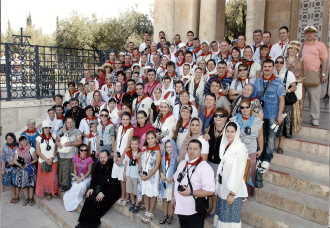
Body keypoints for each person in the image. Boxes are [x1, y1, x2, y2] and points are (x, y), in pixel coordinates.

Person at [173, 139, 215, 228]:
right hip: (181, 208)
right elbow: (176, 181)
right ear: (187, 149)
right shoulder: (182, 163)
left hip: (195, 211)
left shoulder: (205, 167)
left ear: (200, 151)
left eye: (195, 149)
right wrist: (174, 198)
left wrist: (191, 192)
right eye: (190, 148)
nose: (192, 151)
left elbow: (210, 191)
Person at [76, 150, 121, 228]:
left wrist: (104, 192)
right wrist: (91, 188)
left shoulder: (113, 165)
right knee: (89, 197)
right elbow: (94, 178)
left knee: (97, 201)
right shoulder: (97, 164)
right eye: (101, 157)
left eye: (104, 157)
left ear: (108, 157)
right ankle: (82, 223)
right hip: (100, 188)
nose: (102, 159)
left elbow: (114, 183)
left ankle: (91, 225)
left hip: (111, 190)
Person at [215, 122, 248, 228]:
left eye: (232, 132)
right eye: (227, 131)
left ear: (237, 132)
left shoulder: (240, 148)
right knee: (222, 217)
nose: (229, 134)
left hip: (232, 190)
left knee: (230, 220)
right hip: (223, 187)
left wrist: (233, 193)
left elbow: (239, 172)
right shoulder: (225, 144)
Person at [253, 59, 285, 171]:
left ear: (273, 68)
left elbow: (281, 99)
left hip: (272, 115)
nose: (267, 68)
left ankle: (266, 159)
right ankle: (259, 157)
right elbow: (253, 96)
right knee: (260, 137)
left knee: (271, 138)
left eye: (269, 66)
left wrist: (280, 115)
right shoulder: (257, 81)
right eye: (265, 66)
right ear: (262, 68)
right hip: (259, 115)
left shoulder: (278, 81)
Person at [232, 99, 263, 196]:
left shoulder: (257, 121)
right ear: (240, 109)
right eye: (242, 107)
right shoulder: (234, 120)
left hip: (251, 150)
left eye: (247, 107)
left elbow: (260, 136)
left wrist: (261, 148)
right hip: (238, 151)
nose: (245, 109)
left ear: (250, 108)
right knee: (237, 172)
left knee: (250, 172)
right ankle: (236, 192)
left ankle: (248, 193)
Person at [301, 25, 328, 126]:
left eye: (311, 33)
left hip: (314, 74)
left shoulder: (320, 45)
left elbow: (325, 60)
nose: (309, 35)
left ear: (315, 34)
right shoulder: (302, 45)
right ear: (305, 34)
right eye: (307, 33)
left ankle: (315, 118)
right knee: (300, 98)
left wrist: (324, 73)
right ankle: (299, 116)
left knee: (314, 98)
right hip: (302, 75)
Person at [204, 108, 229, 214]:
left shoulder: (229, 130)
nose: (218, 117)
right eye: (216, 115)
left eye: (221, 115)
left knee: (218, 188)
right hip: (209, 162)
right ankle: (211, 207)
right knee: (210, 186)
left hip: (221, 164)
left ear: (226, 118)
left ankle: (215, 208)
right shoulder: (210, 128)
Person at [274, 56, 297, 152]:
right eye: (277, 62)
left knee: (283, 123)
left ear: (284, 63)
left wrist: (286, 91)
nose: (279, 64)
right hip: (274, 101)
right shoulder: (273, 72)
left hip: (285, 101)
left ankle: (280, 146)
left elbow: (294, 87)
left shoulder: (289, 73)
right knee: (274, 123)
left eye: (281, 62)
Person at [112, 112, 134, 205]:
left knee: (125, 178)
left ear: (130, 120)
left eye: (127, 119)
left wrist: (122, 158)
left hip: (125, 156)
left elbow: (128, 145)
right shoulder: (120, 127)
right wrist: (115, 155)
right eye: (123, 119)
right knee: (120, 178)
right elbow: (117, 141)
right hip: (118, 154)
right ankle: (122, 196)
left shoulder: (131, 129)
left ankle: (127, 197)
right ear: (121, 120)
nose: (125, 121)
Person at [63, 144, 93, 211]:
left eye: (85, 150)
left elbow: (89, 171)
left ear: (87, 151)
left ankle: (80, 198)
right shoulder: (75, 157)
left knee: (81, 185)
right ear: (79, 151)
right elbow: (74, 169)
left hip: (86, 177)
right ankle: (72, 199)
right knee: (75, 185)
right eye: (82, 150)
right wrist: (76, 176)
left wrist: (82, 178)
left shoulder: (89, 159)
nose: (83, 152)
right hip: (78, 176)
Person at [140, 130, 161, 224]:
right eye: (148, 138)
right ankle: (147, 210)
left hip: (152, 176)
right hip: (144, 174)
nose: (150, 140)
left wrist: (148, 176)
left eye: (152, 138)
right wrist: (140, 172)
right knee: (145, 192)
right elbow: (139, 160)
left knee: (152, 193)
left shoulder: (157, 150)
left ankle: (151, 211)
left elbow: (157, 166)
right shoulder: (144, 149)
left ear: (155, 139)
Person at [56, 117, 82, 191]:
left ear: (73, 123)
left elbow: (79, 142)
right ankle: (64, 185)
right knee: (63, 170)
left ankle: (70, 186)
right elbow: (56, 140)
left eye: (71, 122)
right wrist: (58, 144)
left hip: (72, 154)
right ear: (65, 123)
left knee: (71, 170)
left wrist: (70, 143)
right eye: (68, 122)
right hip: (62, 154)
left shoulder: (77, 131)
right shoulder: (61, 131)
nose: (70, 124)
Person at [35, 121, 59, 199]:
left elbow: (56, 149)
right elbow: (38, 151)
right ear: (43, 129)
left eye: (49, 128)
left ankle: (50, 192)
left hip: (53, 161)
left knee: (52, 178)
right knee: (43, 178)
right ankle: (44, 191)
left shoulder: (54, 137)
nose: (47, 129)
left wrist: (51, 158)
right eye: (45, 128)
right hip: (42, 161)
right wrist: (46, 159)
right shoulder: (38, 138)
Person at [12, 136, 37, 206]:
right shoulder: (17, 150)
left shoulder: (31, 149)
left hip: (30, 169)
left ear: (27, 141)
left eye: (24, 140)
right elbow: (14, 160)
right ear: (19, 142)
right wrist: (20, 165)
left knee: (31, 185)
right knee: (24, 185)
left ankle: (31, 199)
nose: (23, 142)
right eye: (21, 141)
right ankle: (26, 199)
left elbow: (35, 159)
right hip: (21, 169)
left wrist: (28, 164)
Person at [159, 139, 178, 225]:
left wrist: (173, 178)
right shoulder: (163, 157)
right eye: (167, 147)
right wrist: (161, 174)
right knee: (164, 199)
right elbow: (161, 168)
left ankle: (170, 215)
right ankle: (165, 215)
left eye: (170, 147)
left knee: (170, 200)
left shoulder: (176, 158)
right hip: (164, 182)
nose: (168, 148)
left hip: (171, 183)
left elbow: (178, 171)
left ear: (174, 147)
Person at [286, 41, 303, 133]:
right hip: (286, 85)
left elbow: (300, 73)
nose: (292, 51)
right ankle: (286, 125)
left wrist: (292, 69)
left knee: (295, 105)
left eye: (294, 49)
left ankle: (294, 125)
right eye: (290, 48)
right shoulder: (284, 60)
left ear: (297, 51)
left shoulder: (299, 61)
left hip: (296, 84)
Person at [123, 136, 141, 213]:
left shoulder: (140, 153)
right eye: (132, 144)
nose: (134, 145)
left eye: (136, 144)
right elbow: (126, 163)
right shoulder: (128, 153)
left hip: (136, 175)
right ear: (130, 144)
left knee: (136, 191)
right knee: (130, 191)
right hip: (128, 174)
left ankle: (137, 204)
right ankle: (133, 203)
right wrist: (124, 172)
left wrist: (140, 175)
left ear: (138, 144)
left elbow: (140, 165)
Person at [1, 133, 18, 203]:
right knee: (11, 182)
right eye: (7, 139)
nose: (9, 140)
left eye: (10, 139)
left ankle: (17, 195)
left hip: (17, 166)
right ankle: (14, 196)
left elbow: (21, 155)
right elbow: (3, 159)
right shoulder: (4, 147)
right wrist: (2, 169)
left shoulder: (18, 145)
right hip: (8, 167)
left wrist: (14, 162)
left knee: (16, 181)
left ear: (13, 139)